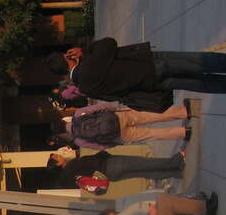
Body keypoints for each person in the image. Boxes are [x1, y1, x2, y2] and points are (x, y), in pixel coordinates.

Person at [47, 38, 226, 99]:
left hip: (150, 84)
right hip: (148, 65)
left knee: (197, 84)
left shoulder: (85, 88)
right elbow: (109, 43)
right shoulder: (87, 65)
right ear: (68, 57)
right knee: (197, 62)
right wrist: (84, 51)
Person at [50, 102, 190, 150]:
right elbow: (101, 106)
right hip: (118, 117)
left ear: (62, 134)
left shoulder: (79, 141)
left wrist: (114, 143)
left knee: (152, 134)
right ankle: (184, 112)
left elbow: (100, 146)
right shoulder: (78, 114)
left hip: (118, 136)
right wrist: (114, 109)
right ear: (63, 121)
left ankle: (184, 132)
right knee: (152, 116)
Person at [47, 150, 185, 189]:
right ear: (58, 164)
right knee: (144, 163)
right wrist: (103, 154)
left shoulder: (68, 178)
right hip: (110, 165)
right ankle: (176, 161)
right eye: (58, 157)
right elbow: (94, 161)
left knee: (143, 172)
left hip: (110, 177)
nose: (60, 156)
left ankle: (174, 172)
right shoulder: (73, 165)